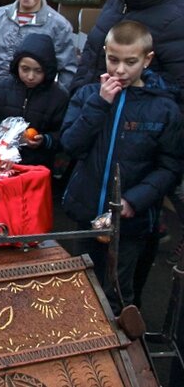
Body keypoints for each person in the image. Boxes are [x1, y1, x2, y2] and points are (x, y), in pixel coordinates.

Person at [61, 20, 183, 313]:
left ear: (147, 60)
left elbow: (170, 166)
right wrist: (100, 104)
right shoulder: (88, 95)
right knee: (84, 284)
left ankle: (122, 350)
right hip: (88, 211)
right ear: (104, 53)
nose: (119, 70)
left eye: (130, 62)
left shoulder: (163, 109)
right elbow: (70, 145)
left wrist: (134, 200)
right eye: (113, 60)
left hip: (132, 221)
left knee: (119, 291)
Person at [0, 33, 69, 170]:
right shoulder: (1, 87)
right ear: (16, 65)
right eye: (25, 69)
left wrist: (45, 140)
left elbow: (63, 132)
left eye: (38, 71)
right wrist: (1, 129)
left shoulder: (58, 97)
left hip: (35, 166)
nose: (31, 77)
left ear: (48, 71)